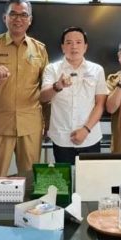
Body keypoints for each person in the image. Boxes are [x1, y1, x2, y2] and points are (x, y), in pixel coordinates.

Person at [0, 0, 48, 192]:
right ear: (5, 17)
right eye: (13, 14)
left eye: (23, 15)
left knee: (31, 181)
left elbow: (45, 88)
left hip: (30, 124)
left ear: (30, 20)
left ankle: (28, 214)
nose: (18, 19)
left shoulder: (39, 49)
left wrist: (47, 122)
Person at [40, 27, 107, 164]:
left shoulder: (97, 70)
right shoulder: (52, 69)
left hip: (90, 137)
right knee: (64, 177)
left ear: (85, 47)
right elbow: (43, 97)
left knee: (90, 177)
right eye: (69, 42)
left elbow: (100, 104)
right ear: (63, 47)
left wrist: (85, 130)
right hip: (61, 139)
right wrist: (57, 86)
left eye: (78, 42)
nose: (74, 46)